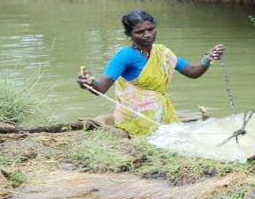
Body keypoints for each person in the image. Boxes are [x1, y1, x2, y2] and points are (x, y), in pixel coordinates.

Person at [77, 9, 224, 135]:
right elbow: (101, 87)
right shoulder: (125, 56)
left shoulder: (162, 52)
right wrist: (88, 82)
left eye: (151, 29)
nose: (147, 35)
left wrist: (208, 59)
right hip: (135, 118)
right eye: (140, 32)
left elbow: (192, 72)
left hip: (163, 112)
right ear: (129, 34)